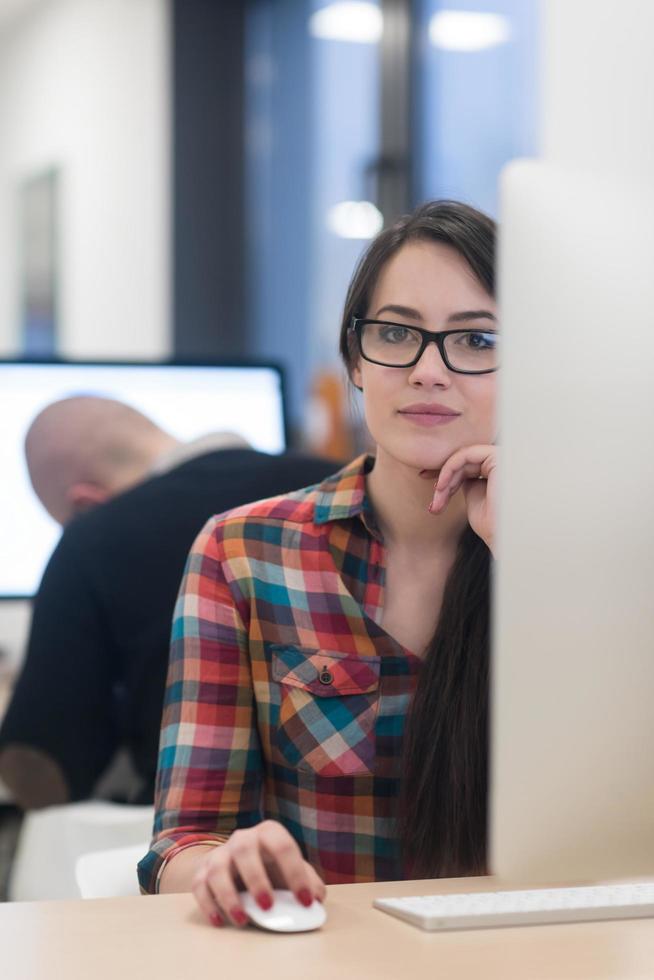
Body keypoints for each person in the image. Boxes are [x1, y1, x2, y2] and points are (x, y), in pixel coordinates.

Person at [138, 200, 497, 927]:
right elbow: (181, 840)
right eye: (396, 333)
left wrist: (538, 562)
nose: (429, 370)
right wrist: (225, 865)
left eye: (476, 339)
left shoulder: (597, 563)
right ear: (356, 359)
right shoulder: (245, 552)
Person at [0, 396, 336, 808]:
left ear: (84, 503)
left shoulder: (93, 537)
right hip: (366, 830)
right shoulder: (339, 486)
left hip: (199, 841)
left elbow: (45, 767)